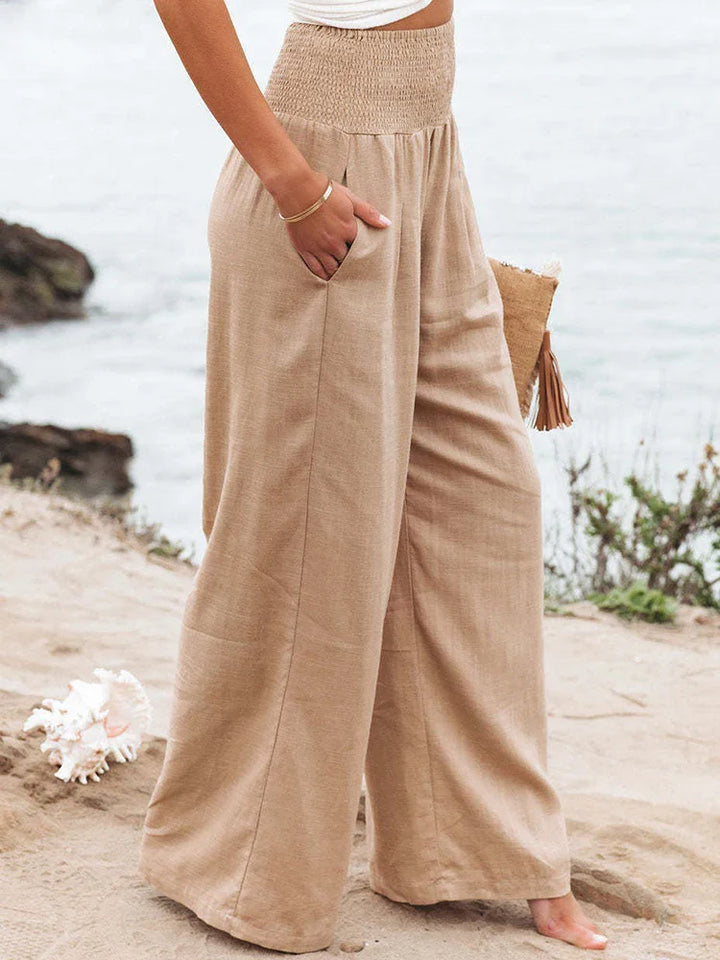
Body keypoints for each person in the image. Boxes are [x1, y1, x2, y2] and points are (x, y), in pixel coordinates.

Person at [138, 0, 608, 952]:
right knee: (312, 544)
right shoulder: (307, 176)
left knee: (480, 513)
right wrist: (292, 182)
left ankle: (477, 849)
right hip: (322, 167)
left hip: (428, 150)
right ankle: (243, 871)